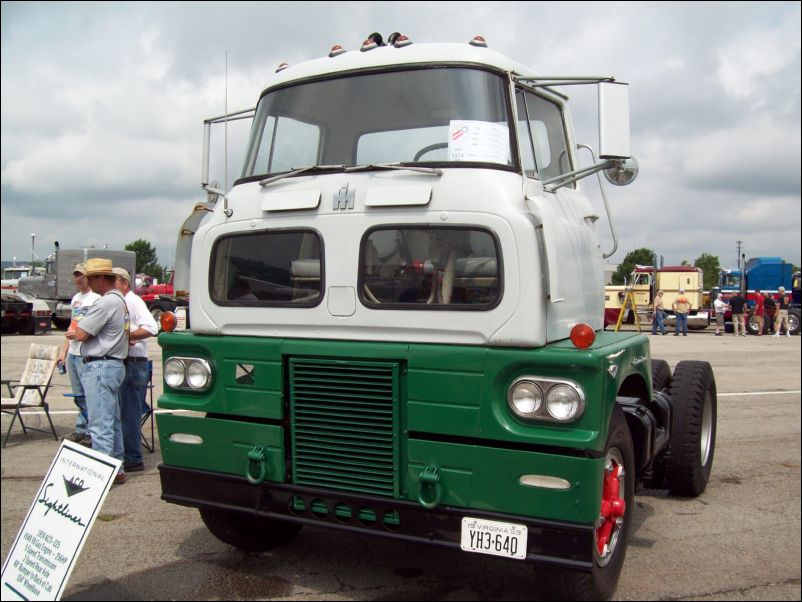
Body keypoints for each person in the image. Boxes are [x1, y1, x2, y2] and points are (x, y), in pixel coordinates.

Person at [67, 258, 129, 485]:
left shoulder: (105, 303)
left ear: (102, 278)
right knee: (111, 420)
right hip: (113, 363)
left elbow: (81, 333)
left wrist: (78, 331)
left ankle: (103, 473)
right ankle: (117, 466)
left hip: (101, 364)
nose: (89, 282)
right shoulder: (120, 300)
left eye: (92, 278)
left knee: (99, 422)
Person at [113, 267, 158, 473]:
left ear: (124, 283)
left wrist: (129, 337)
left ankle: (132, 457)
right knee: (125, 411)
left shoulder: (132, 301)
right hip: (129, 362)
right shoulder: (122, 301)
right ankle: (128, 453)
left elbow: (151, 327)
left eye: (113, 281)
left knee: (130, 412)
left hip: (133, 362)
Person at [57, 263, 100, 445]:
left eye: (81, 275)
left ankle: (91, 431)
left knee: (90, 394)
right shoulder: (76, 298)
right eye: (76, 275)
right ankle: (82, 429)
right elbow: (72, 326)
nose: (78, 279)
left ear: (89, 277)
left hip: (86, 353)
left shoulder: (96, 299)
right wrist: (64, 350)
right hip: (73, 353)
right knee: (78, 395)